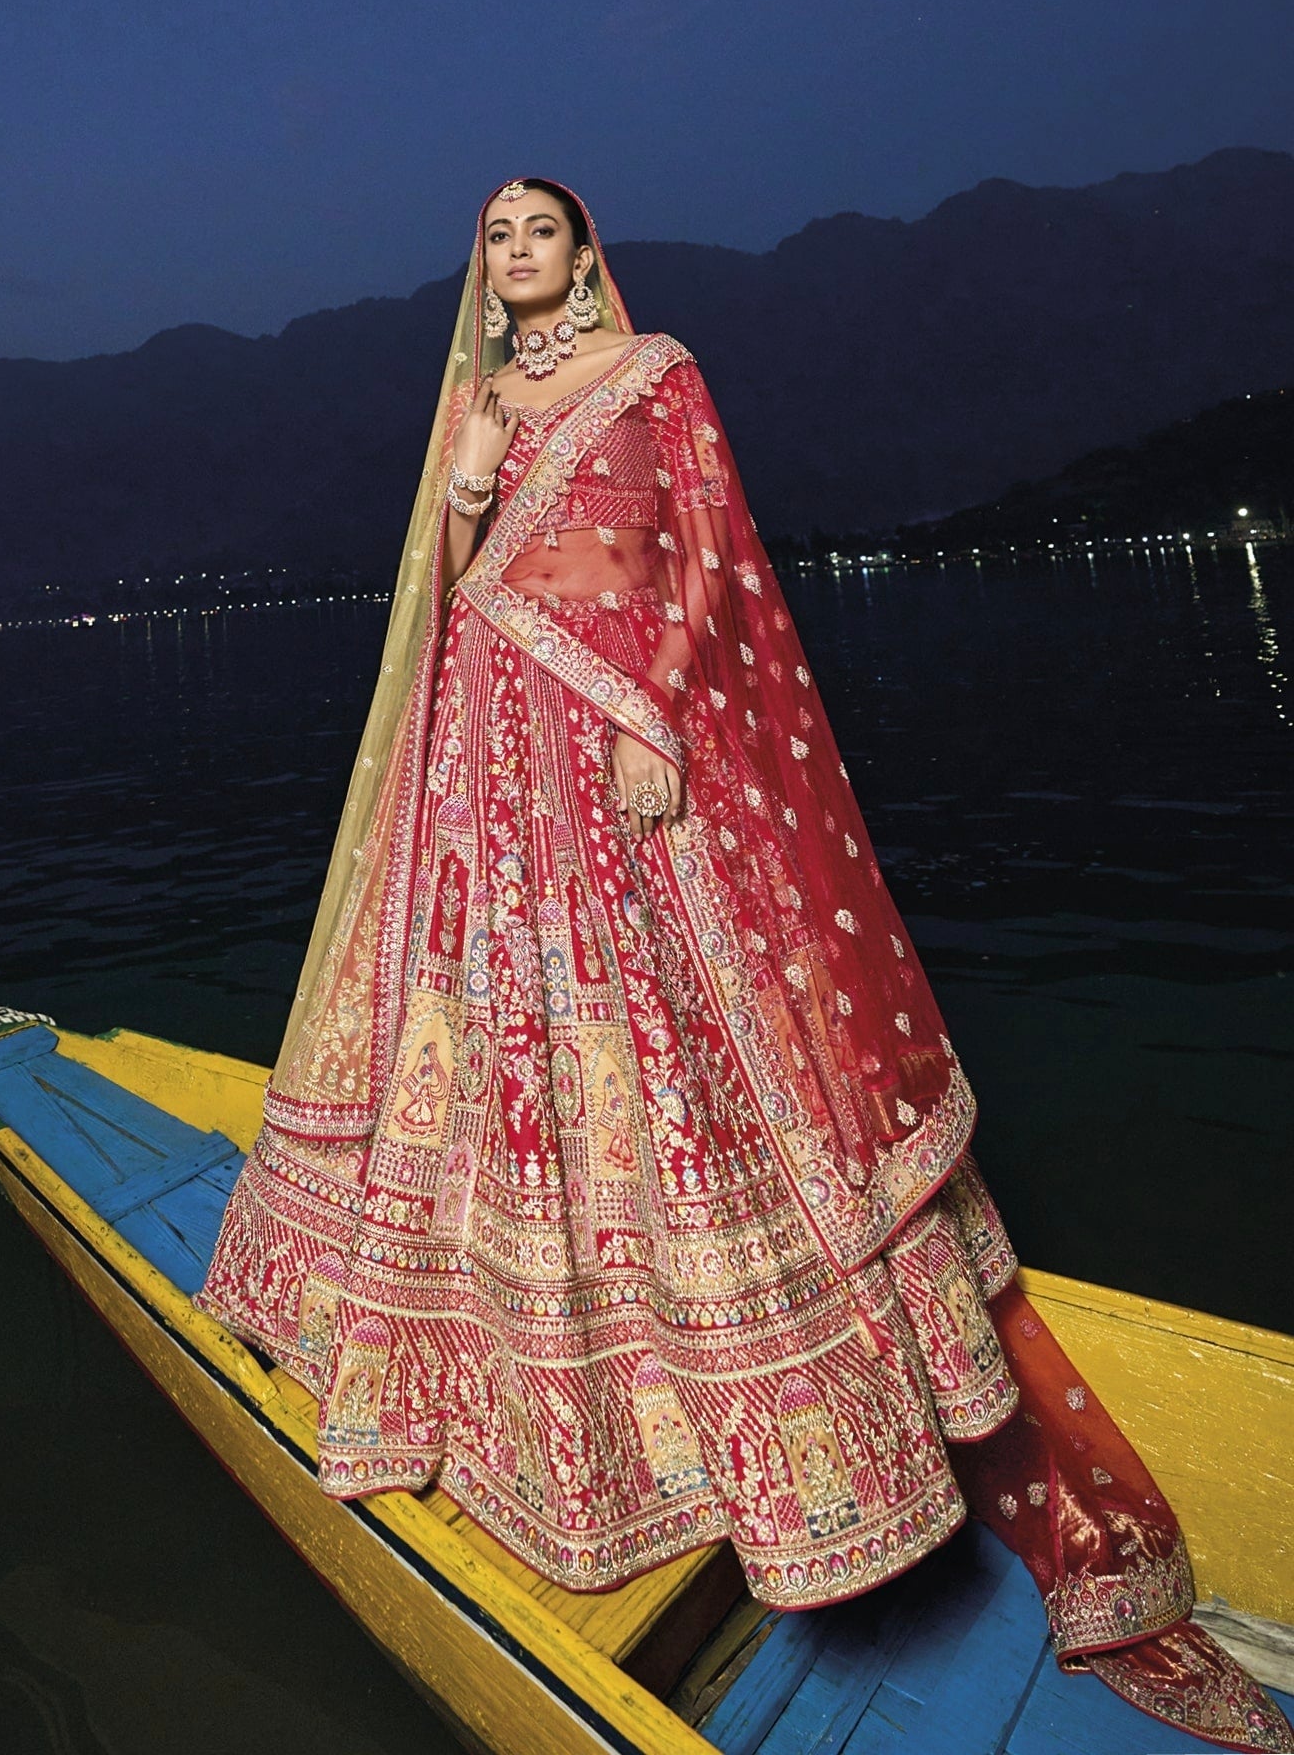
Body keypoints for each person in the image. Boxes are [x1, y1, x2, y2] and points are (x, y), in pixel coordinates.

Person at [197, 179, 1289, 1750]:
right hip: (494, 757)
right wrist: (473, 474)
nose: (514, 255)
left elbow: (711, 562)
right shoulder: (479, 399)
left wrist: (657, 714)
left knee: (673, 1030)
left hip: (627, 738)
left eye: (539, 232)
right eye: (494, 237)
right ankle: (560, 1393)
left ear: (584, 256)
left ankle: (773, 1393)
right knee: (518, 1034)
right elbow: (451, 577)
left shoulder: (659, 375)